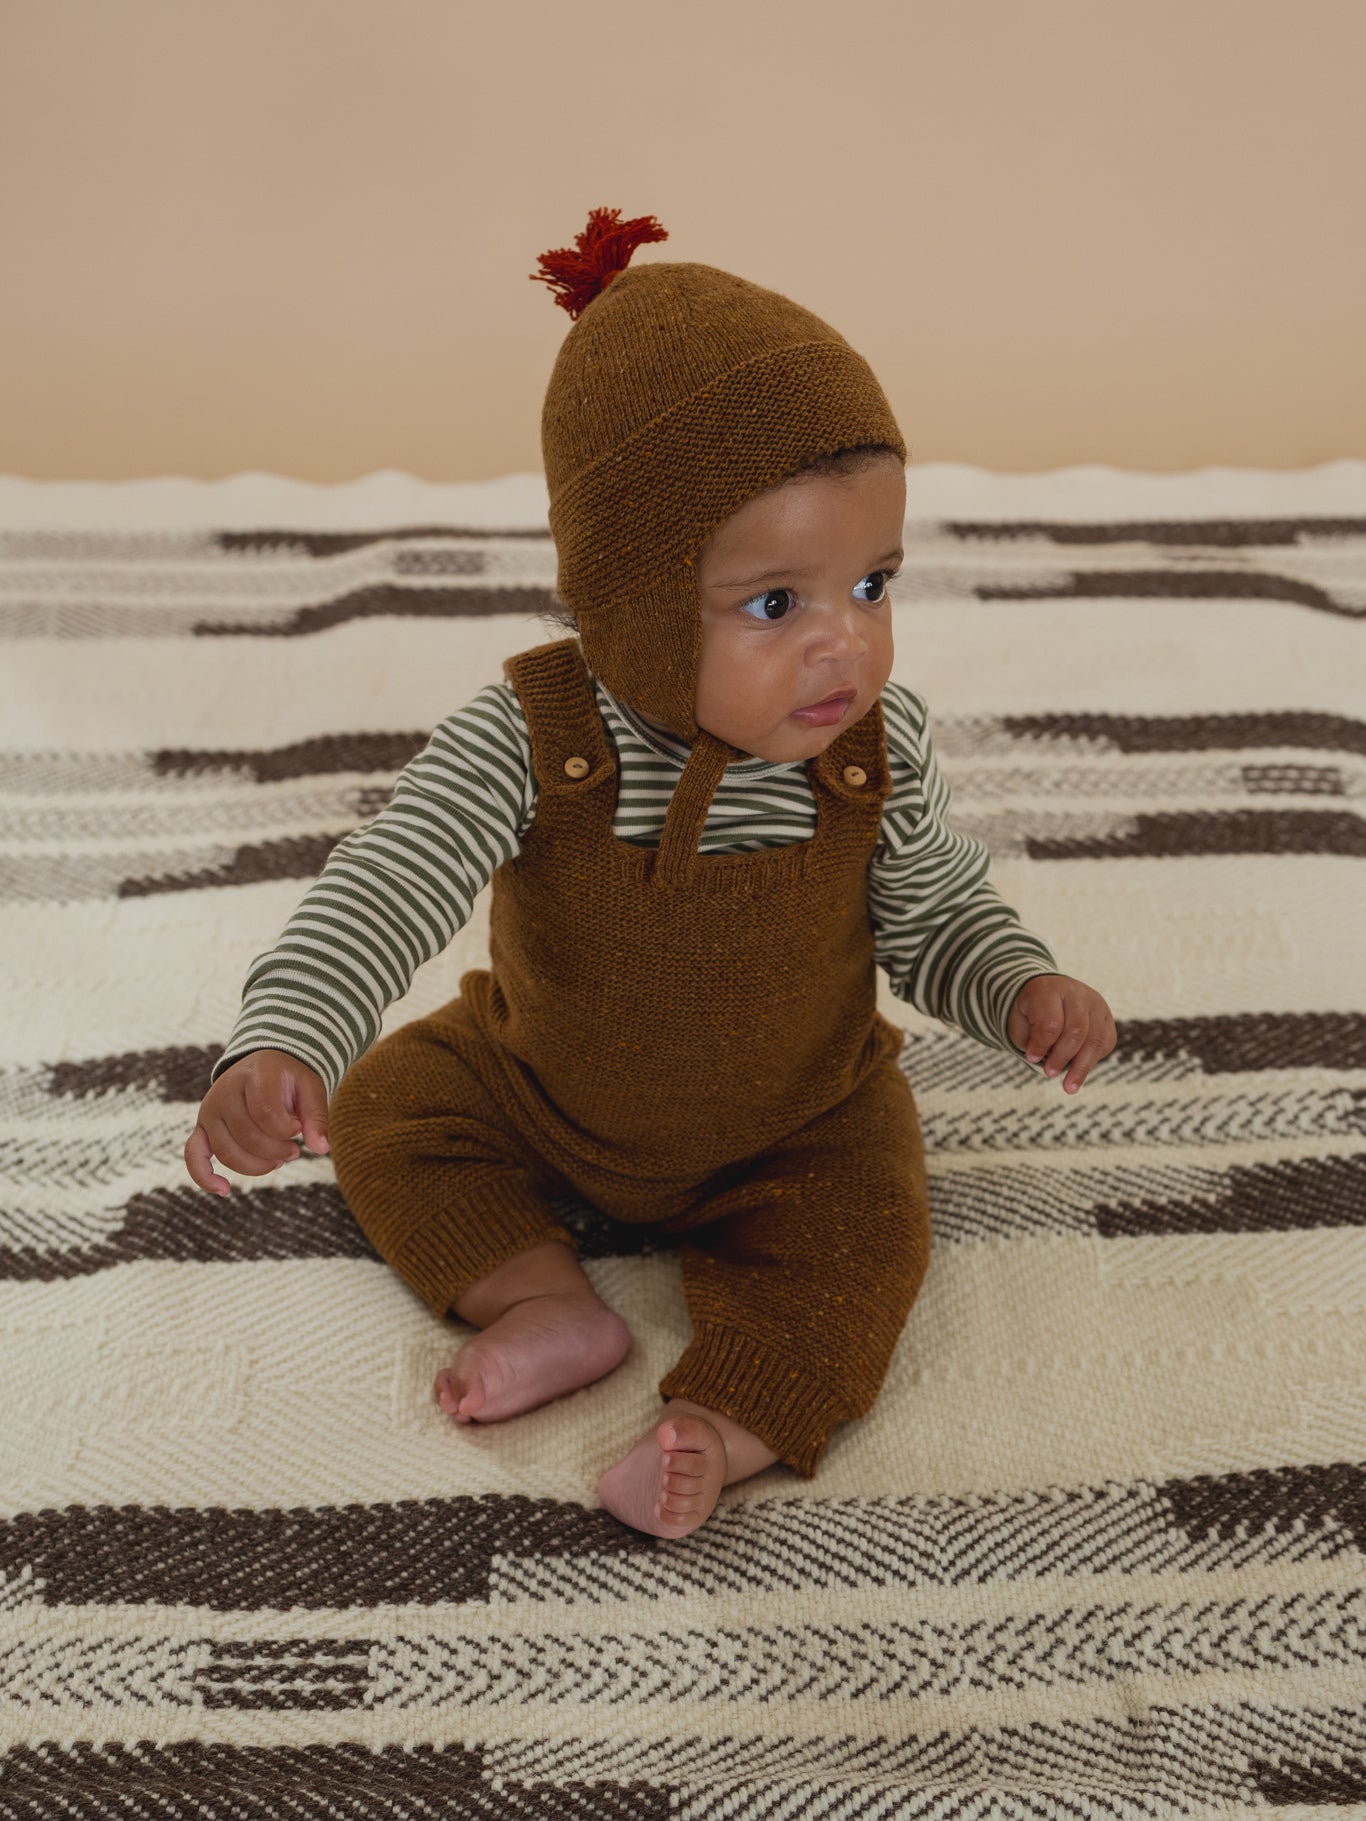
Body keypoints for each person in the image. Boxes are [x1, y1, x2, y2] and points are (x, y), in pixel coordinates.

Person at [184, 207, 1117, 1539]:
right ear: (629, 602)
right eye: (775, 603)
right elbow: (382, 888)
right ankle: (542, 1300)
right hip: (543, 1093)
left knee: (867, 1238)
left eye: (871, 584)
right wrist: (285, 1040)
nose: (843, 647)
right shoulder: (536, 738)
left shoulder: (874, 749)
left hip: (799, 1120)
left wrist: (1016, 983)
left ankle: (725, 1422)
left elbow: (934, 912)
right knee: (391, 1108)